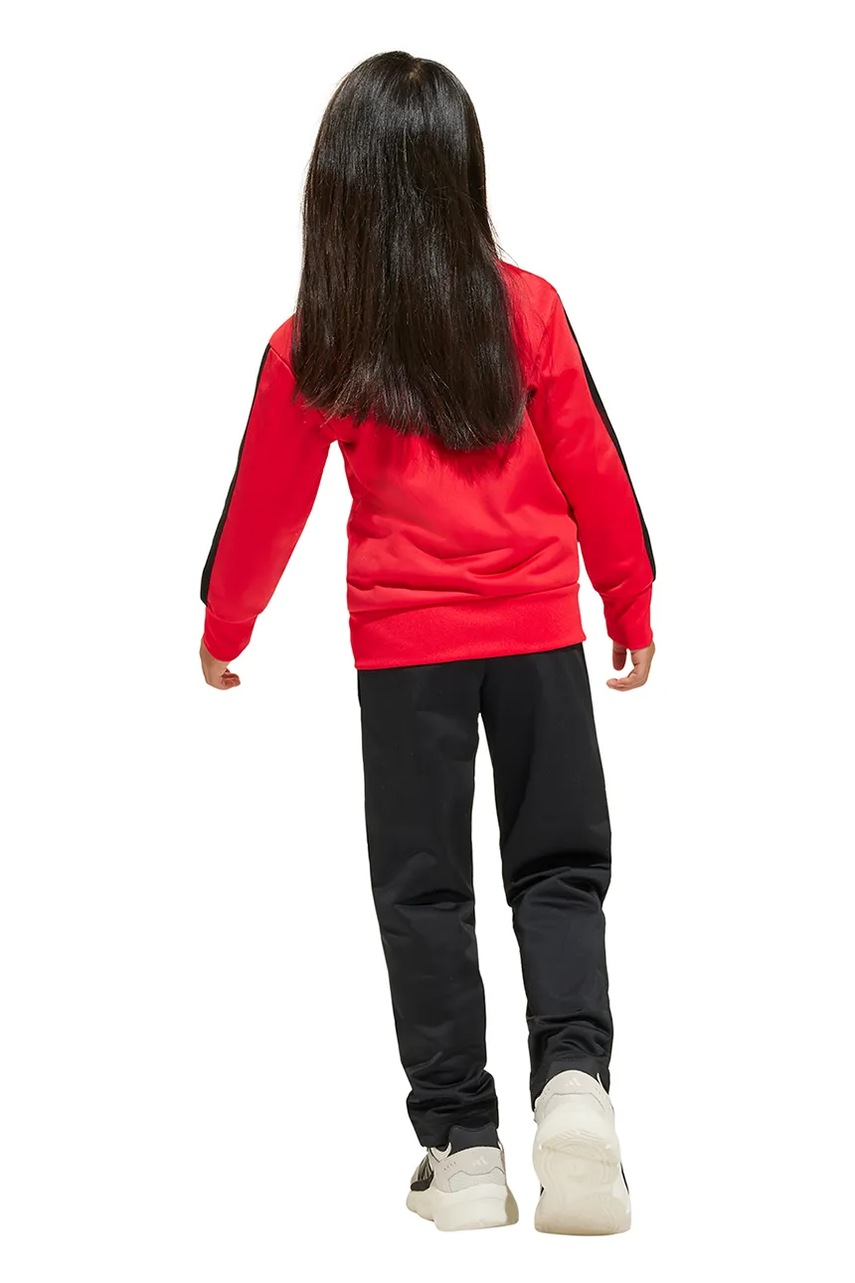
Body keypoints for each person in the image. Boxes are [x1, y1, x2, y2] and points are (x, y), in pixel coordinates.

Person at [198, 50, 655, 1236]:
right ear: (462, 173)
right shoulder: (527, 309)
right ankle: (575, 1088)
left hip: (406, 655)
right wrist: (629, 599)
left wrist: (227, 622)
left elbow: (265, 504)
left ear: (338, 187)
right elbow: (595, 465)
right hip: (538, 633)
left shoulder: (315, 343)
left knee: (424, 889)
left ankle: (462, 1149)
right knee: (558, 867)